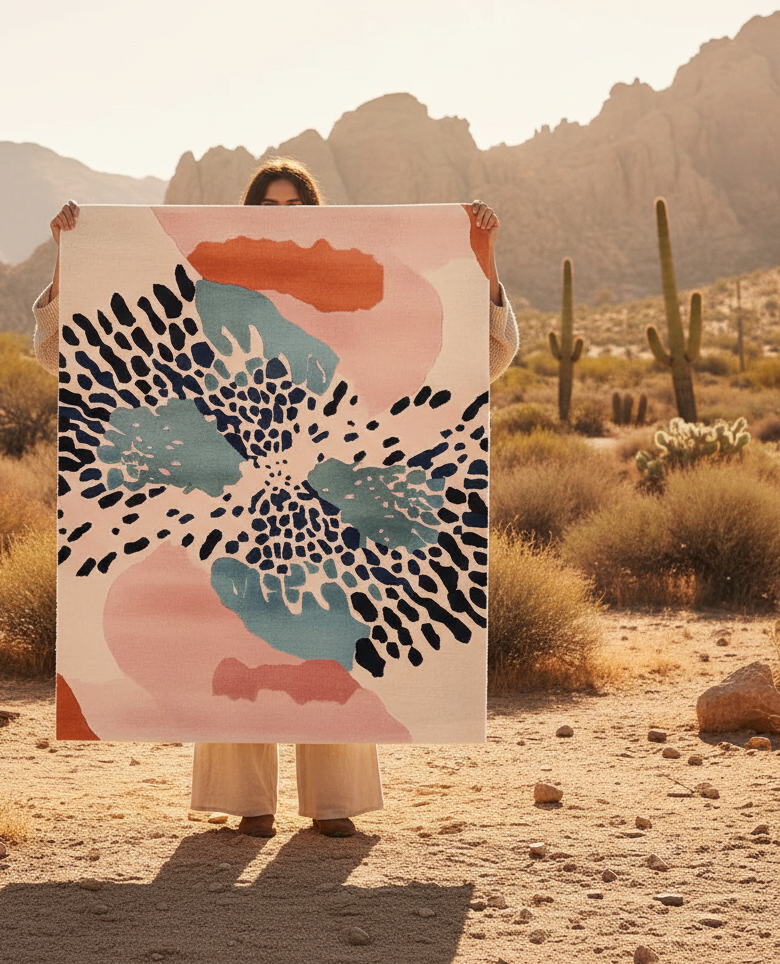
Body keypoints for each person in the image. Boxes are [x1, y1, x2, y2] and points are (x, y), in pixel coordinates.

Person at [33, 157, 519, 840]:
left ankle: (334, 803)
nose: (284, 221)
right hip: (220, 505)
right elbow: (72, 356)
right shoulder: (199, 291)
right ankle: (245, 800)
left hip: (340, 504)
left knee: (334, 635)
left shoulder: (360, 297)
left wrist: (482, 258)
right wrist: (70, 256)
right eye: (270, 208)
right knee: (218, 640)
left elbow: (480, 360)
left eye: (297, 208)